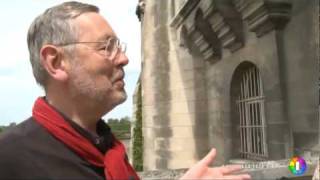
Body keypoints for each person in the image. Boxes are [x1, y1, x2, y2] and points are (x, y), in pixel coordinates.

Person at [0, 1, 251, 180]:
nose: (123, 59)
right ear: (56, 62)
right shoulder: (11, 159)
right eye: (107, 47)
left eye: (118, 46)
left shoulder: (108, 149)